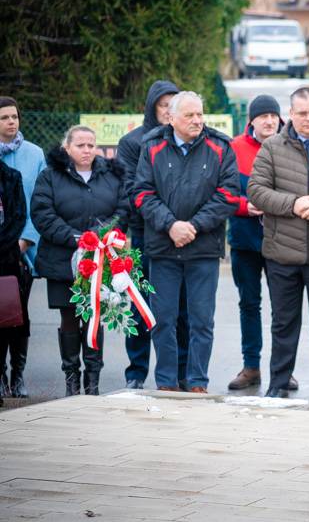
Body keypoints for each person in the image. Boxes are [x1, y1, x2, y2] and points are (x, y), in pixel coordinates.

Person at [134, 91, 240, 394]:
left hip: (203, 249)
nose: (197, 120)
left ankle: (197, 382)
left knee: (201, 321)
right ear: (171, 118)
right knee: (163, 319)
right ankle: (166, 382)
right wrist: (171, 225)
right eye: (189, 115)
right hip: (163, 249)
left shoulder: (220, 147)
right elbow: (141, 193)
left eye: (200, 114)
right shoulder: (151, 146)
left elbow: (229, 194)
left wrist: (193, 226)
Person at [247, 87, 309, 402]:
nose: (308, 118)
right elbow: (256, 190)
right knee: (283, 323)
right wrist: (294, 203)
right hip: (282, 254)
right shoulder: (272, 148)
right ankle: (278, 382)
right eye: (301, 113)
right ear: (290, 115)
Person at [30, 125, 128, 395]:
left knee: (95, 317)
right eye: (80, 145)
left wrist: (100, 235)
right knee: (70, 317)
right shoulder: (50, 176)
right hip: (62, 260)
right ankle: (71, 381)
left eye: (91, 145)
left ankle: (93, 382)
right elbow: (42, 213)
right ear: (67, 148)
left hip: (101, 258)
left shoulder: (112, 175)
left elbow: (123, 209)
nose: (87, 150)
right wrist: (75, 238)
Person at [116, 80, 190, 390]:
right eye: (163, 105)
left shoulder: (187, 139)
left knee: (181, 308)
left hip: (182, 236)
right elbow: (131, 189)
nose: (168, 110)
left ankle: (181, 373)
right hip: (145, 236)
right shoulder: (133, 142)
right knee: (140, 305)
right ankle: (136, 371)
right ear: (152, 107)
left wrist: (179, 224)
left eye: (174, 104)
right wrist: (163, 220)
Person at [226, 94, 295, 391]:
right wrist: (245, 205)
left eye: (273, 116)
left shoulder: (290, 147)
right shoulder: (234, 148)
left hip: (282, 239)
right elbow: (222, 192)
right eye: (263, 116)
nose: (269, 121)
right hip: (245, 240)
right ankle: (251, 366)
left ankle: (283, 370)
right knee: (249, 304)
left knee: (283, 308)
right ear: (251, 120)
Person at [0, 96, 45, 398]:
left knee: (16, 315)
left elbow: (40, 203)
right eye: (4, 117)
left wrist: (25, 240)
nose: (11, 122)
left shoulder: (34, 154)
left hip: (21, 251)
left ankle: (18, 375)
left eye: (14, 116)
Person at [0, 159, 27, 407]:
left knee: (7, 324)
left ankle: (11, 377)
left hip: (5, 259)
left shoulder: (11, 176)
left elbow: (18, 217)